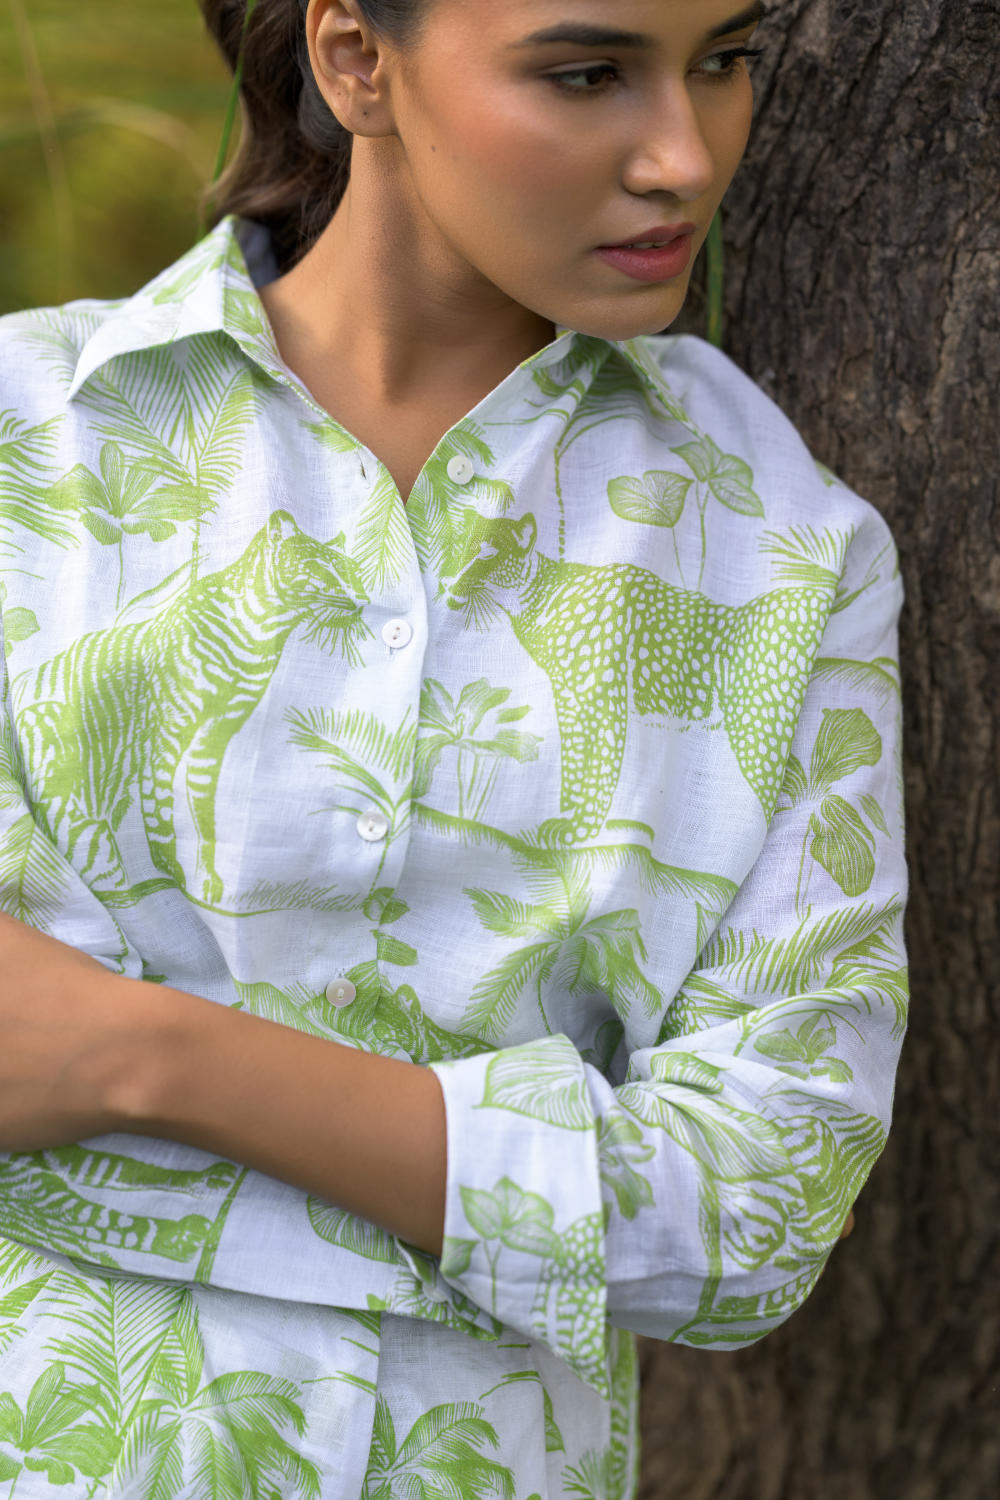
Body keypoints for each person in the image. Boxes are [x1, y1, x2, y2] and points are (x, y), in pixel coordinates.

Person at [0, 0, 906, 1495]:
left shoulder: (785, 556)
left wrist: (140, 1056)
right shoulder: (32, 444)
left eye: (724, 63)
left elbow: (754, 1211)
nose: (684, 157)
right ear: (357, 60)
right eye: (587, 74)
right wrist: (518, 1176)